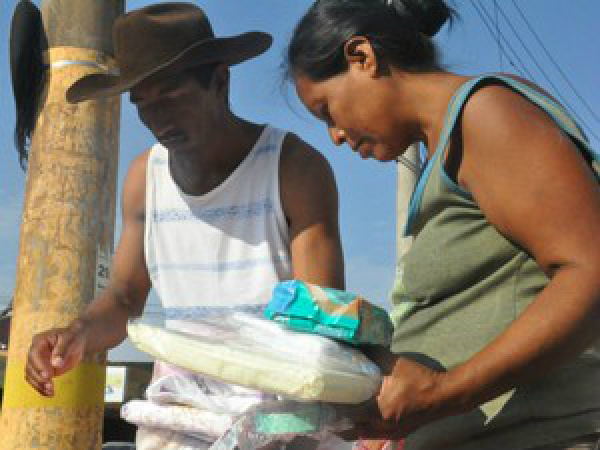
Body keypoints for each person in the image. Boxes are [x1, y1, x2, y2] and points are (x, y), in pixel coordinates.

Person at [24, 3, 344, 449]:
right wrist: (76, 333)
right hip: (181, 419)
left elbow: (321, 320)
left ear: (219, 82)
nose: (157, 118)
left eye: (171, 94)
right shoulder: (144, 178)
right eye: (142, 104)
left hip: (280, 424)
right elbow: (124, 296)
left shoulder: (294, 168)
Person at [283, 1, 600, 449]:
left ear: (362, 58)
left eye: (327, 110)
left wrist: (443, 394)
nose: (334, 135)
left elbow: (589, 272)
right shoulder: (450, 151)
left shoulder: (487, 114)